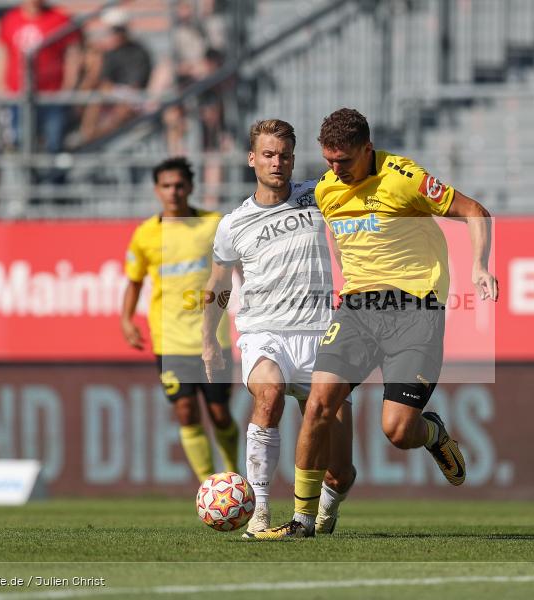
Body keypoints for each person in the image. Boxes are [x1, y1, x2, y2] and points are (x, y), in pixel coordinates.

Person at [253, 108, 499, 539]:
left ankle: (433, 433)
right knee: (317, 405)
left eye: (344, 161)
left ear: (367, 149)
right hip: (356, 310)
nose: (335, 170)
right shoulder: (329, 189)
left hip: (415, 310)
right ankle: (302, 521)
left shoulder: (404, 178)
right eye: (328, 160)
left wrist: (479, 266)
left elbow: (475, 211)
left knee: (398, 431)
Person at [201, 119, 356, 537]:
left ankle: (322, 514)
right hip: (263, 332)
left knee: (340, 473)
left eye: (284, 155)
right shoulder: (233, 224)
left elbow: (358, 177)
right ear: (252, 159)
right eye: (268, 155)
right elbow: (216, 286)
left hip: (322, 334)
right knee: (269, 395)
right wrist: (209, 345)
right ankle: (261, 513)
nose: (277, 163)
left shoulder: (316, 194)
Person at [121, 156, 239, 483]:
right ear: (157, 190)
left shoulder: (214, 224)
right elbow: (134, 282)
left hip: (212, 338)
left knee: (219, 414)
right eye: (166, 186)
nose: (173, 191)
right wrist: (126, 320)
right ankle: (208, 486)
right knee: (186, 412)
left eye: (179, 185)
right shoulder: (145, 235)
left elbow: (239, 268)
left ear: (190, 187)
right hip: (170, 340)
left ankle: (233, 474)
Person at [0, 0, 82, 154]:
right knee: (20, 142)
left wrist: (68, 87)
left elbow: (72, 55)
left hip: (51, 95)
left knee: (54, 144)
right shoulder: (11, 18)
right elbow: (3, 54)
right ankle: (27, 178)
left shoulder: (59, 18)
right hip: (18, 96)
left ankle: (52, 178)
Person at [76, 7, 152, 145]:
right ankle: (87, 135)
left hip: (133, 96)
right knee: (94, 97)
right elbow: (101, 80)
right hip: (111, 94)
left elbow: (135, 86)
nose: (112, 34)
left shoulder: (138, 52)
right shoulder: (107, 53)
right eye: (111, 30)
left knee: (120, 107)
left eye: (116, 30)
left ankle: (94, 139)